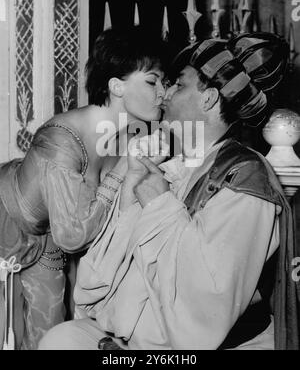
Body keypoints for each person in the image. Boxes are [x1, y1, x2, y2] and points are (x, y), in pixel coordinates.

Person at [39, 33, 299, 350]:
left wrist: (159, 204)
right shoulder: (173, 167)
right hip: (136, 333)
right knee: (61, 340)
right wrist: (132, 187)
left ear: (209, 99)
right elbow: (95, 283)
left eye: (179, 84)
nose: (165, 94)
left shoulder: (245, 177)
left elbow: (206, 304)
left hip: (200, 345)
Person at [0, 26, 169, 350]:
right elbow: (73, 235)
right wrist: (122, 170)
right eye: (151, 81)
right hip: (5, 224)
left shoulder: (129, 138)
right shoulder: (62, 138)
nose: (162, 93)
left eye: (163, 82)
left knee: (48, 337)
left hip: (48, 246)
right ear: (116, 86)